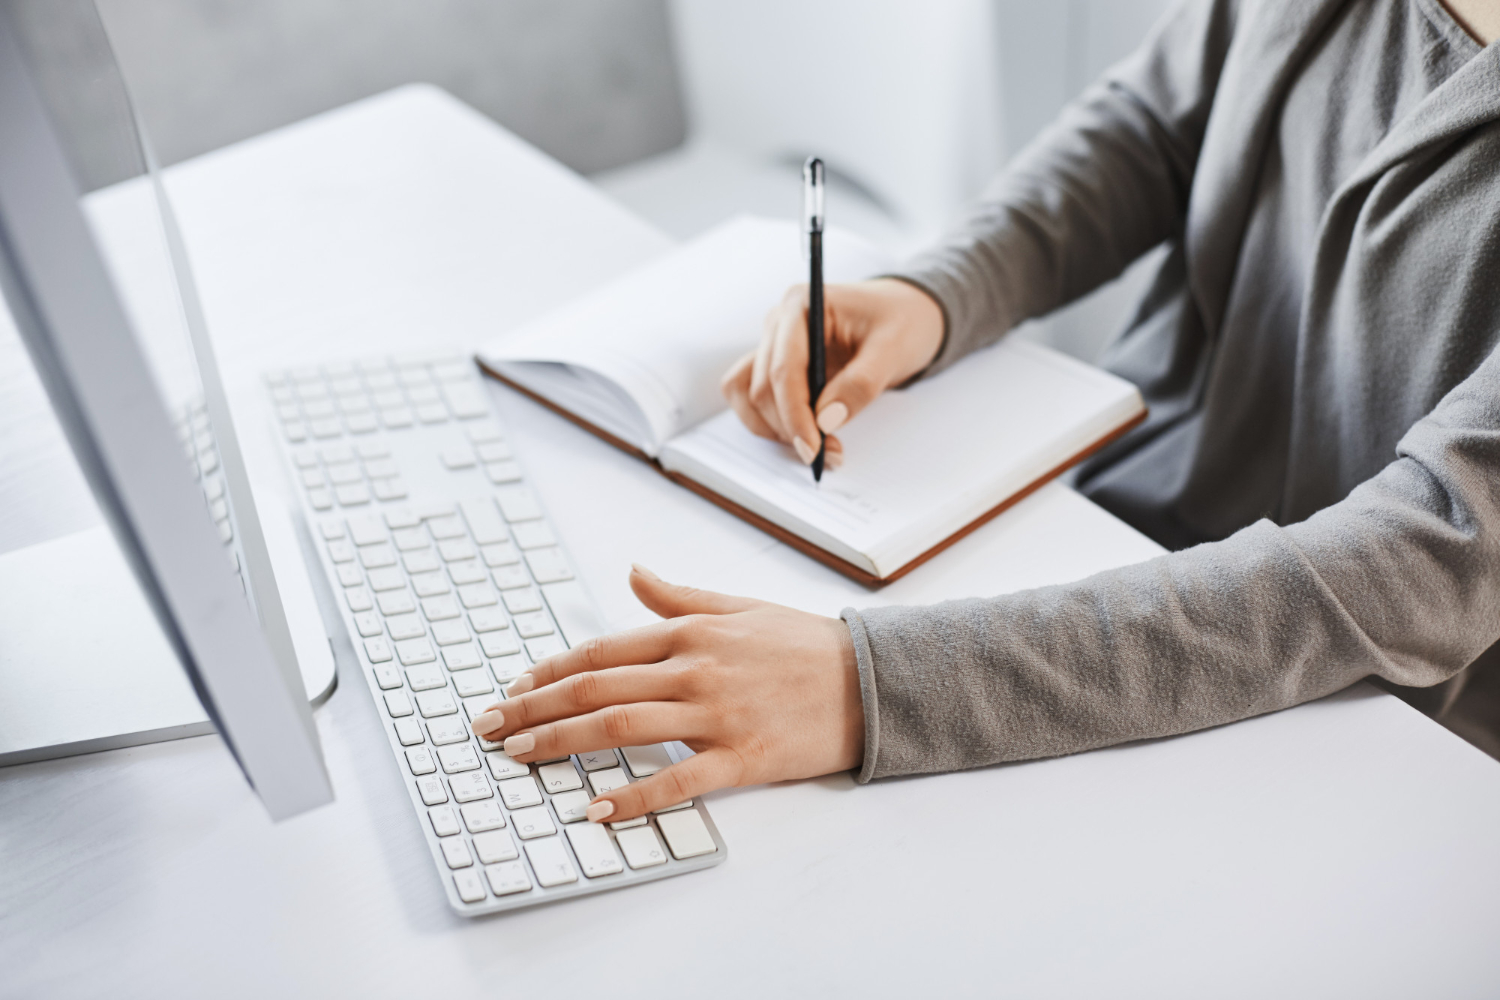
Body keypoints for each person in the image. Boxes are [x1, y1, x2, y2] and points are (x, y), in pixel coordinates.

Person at [471, 0, 1500, 823]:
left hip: (1374, 738)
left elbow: (1421, 559)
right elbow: (1150, 130)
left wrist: (868, 684)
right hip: (1104, 563)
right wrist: (938, 294)